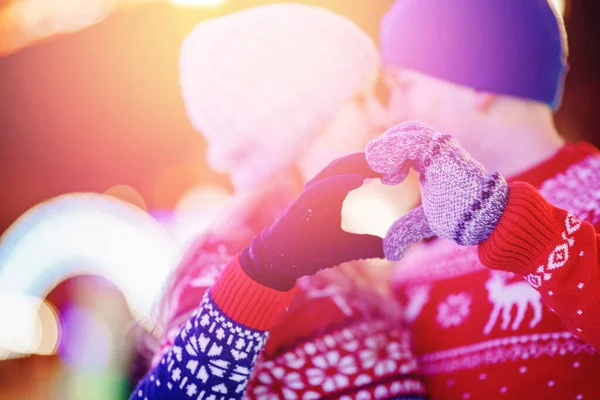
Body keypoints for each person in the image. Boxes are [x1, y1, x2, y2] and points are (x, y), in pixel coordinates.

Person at [131, 4, 426, 399]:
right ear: (299, 129)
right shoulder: (229, 263)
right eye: (359, 99)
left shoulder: (340, 263)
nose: (381, 115)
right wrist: (257, 278)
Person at [360, 0, 600, 398]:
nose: (389, 116)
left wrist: (515, 226)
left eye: (404, 85)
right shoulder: (419, 249)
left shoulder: (593, 196)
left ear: (481, 84)